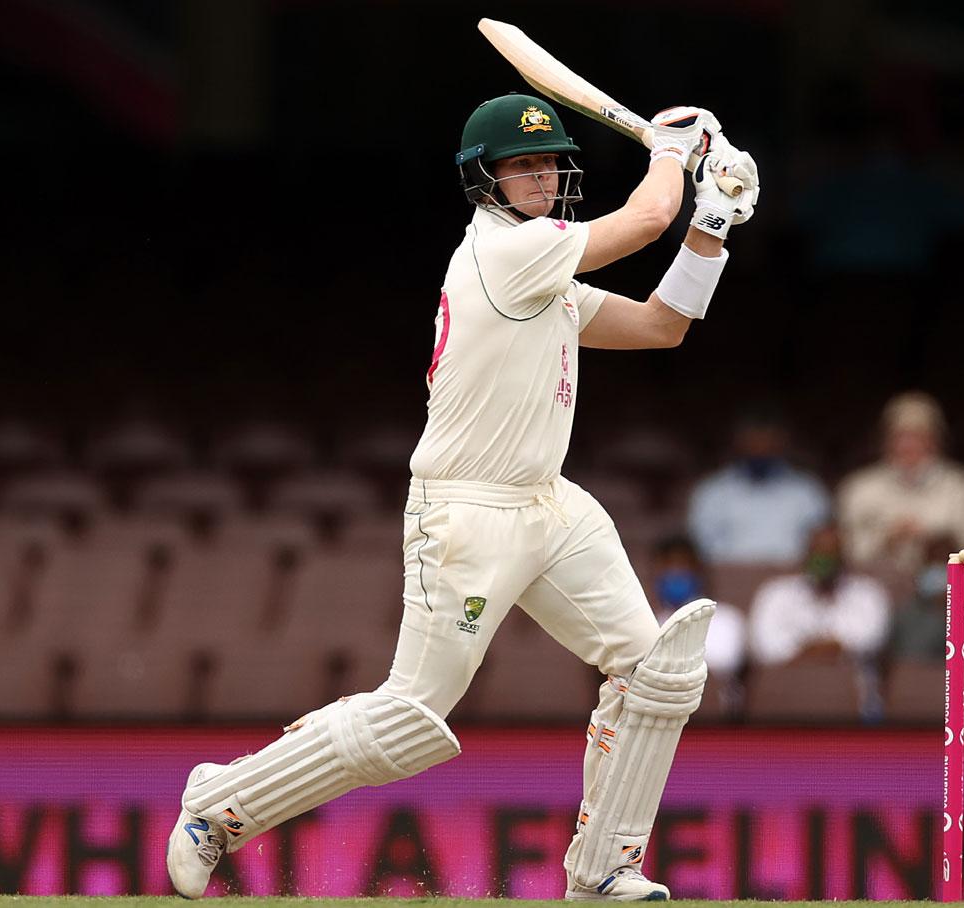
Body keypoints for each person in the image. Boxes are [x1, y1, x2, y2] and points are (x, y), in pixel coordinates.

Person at [165, 92, 760, 901]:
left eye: (550, 161)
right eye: (523, 165)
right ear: (485, 179)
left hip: (549, 503)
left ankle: (604, 870)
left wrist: (713, 227)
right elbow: (644, 220)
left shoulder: (543, 271)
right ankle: (218, 805)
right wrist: (671, 154)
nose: (543, 176)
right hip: (467, 513)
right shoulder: (506, 253)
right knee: (410, 717)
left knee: (655, 672)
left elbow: (661, 325)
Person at [747, 523, 891, 719]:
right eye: (818, 551)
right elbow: (765, 647)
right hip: (785, 704)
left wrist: (810, 650)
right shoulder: (775, 593)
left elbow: (871, 640)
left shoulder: (869, 593)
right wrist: (828, 648)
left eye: (831, 553)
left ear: (843, 557)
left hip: (854, 711)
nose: (825, 559)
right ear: (805, 554)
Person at [838, 392, 964, 576]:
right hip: (877, 583)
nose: (908, 445)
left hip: (943, 582)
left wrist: (930, 536)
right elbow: (847, 551)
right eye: (900, 436)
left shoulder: (960, 487)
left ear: (935, 441)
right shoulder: (859, 488)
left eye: (918, 436)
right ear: (885, 440)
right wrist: (886, 538)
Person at [687, 408, 830, 564]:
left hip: (792, 580)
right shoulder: (713, 491)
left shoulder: (806, 490)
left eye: (767, 439)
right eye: (753, 440)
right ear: (739, 442)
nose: (760, 447)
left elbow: (822, 543)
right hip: (729, 579)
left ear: (781, 442)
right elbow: (702, 545)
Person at [649, 533, 747, 716]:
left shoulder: (727, 619)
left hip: (716, 722)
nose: (675, 574)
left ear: (698, 571)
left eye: (682, 566)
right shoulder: (646, 624)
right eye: (667, 567)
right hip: (656, 719)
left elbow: (722, 664)